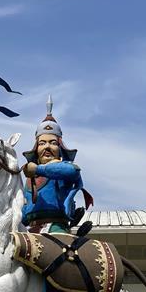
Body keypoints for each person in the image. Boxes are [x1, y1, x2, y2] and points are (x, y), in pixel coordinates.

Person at [21, 95, 92, 233]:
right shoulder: (29, 179)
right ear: (36, 148)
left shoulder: (64, 169)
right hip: (30, 229)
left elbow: (73, 171)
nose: (47, 147)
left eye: (52, 143)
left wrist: (38, 169)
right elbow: (25, 209)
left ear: (60, 148)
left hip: (56, 226)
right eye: (42, 143)